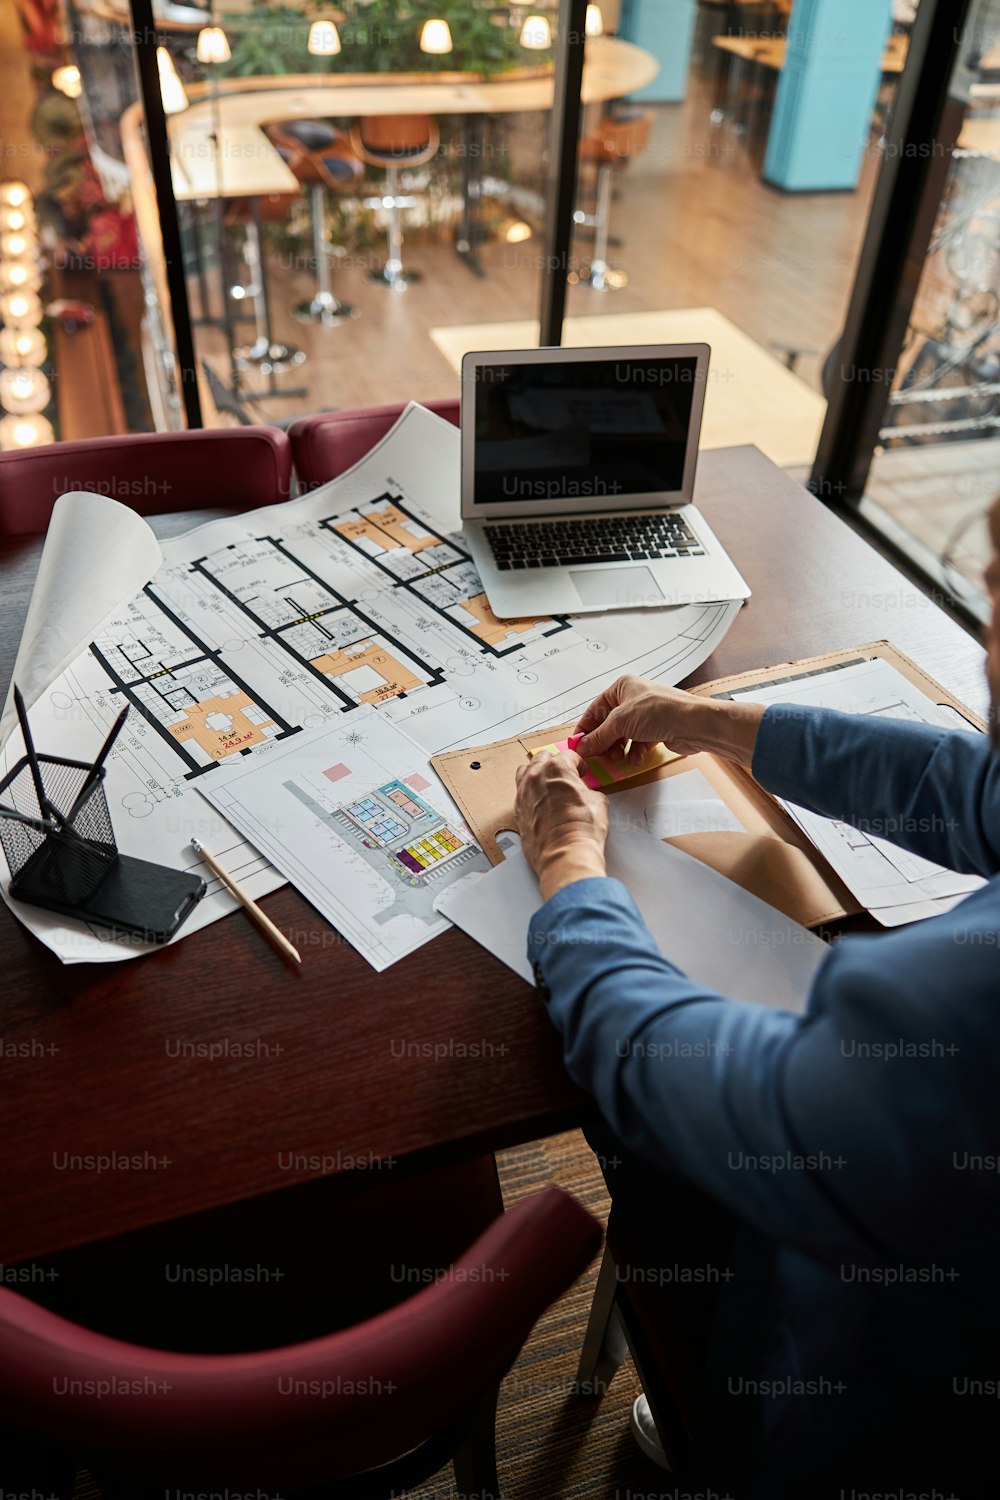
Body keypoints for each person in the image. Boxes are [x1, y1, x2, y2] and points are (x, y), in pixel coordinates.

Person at [513, 500, 1000, 1496]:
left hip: (872, 1424)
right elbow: (972, 795)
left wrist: (568, 868)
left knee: (635, 1141)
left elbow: (663, 1062)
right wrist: (710, 722)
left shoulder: (949, 1016)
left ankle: (698, 1396)